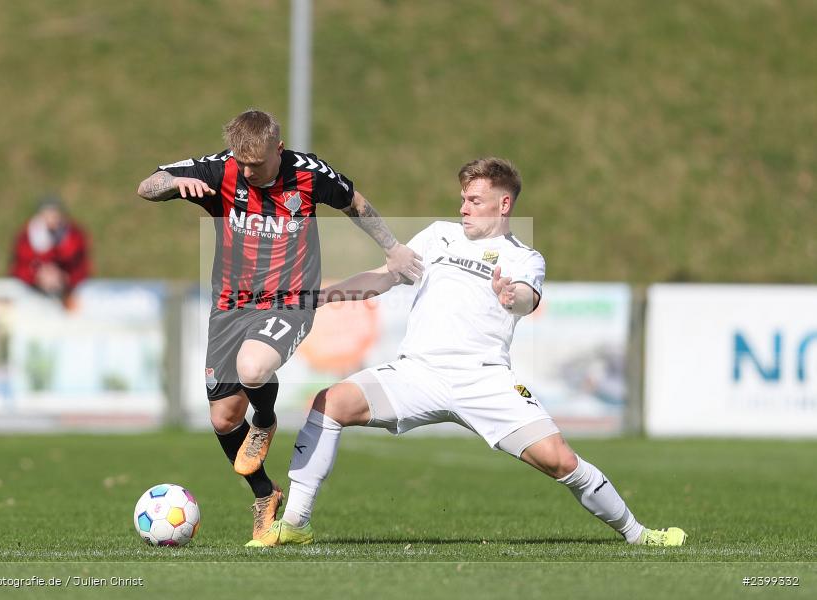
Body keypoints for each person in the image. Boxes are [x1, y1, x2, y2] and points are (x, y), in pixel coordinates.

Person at [249, 157, 687, 548]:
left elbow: (526, 299)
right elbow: (386, 276)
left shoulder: (525, 257)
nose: (464, 208)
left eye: (475, 200)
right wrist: (317, 296)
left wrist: (508, 294)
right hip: (417, 373)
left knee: (562, 461)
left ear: (504, 205)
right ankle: (296, 524)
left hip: (484, 379)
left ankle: (639, 534)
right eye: (463, 198)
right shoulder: (439, 236)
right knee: (331, 402)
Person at [136, 109, 422, 541]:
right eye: (242, 163)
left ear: (279, 149)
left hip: (290, 300)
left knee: (253, 369)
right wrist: (175, 185)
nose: (248, 171)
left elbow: (355, 202)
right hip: (230, 305)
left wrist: (393, 247)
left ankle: (265, 420)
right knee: (223, 419)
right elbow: (147, 186)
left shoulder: (308, 174)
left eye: (257, 163)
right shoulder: (220, 169)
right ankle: (264, 493)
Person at [10, 196, 91, 301]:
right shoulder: (27, 238)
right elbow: (19, 268)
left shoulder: (74, 237)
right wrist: (37, 274)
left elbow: (81, 267)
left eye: (55, 215)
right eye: (47, 215)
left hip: (64, 289)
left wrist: (65, 277)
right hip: (36, 289)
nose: (52, 220)